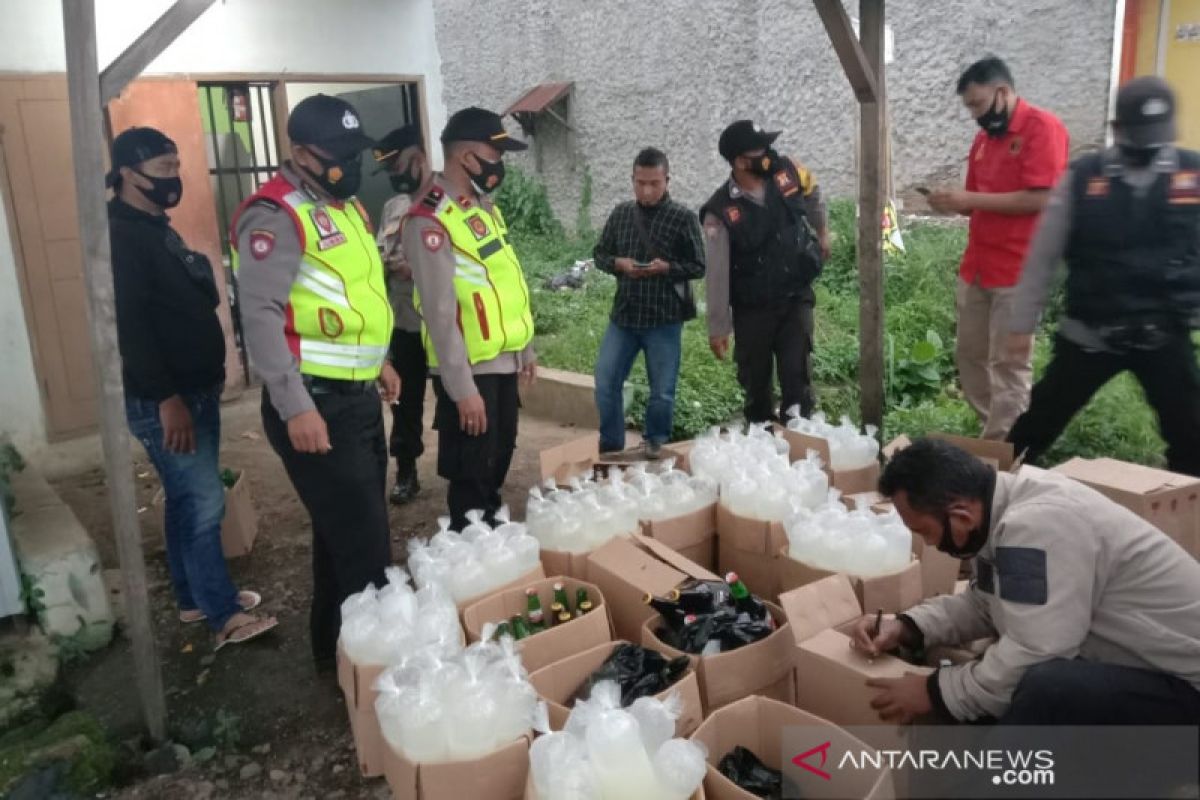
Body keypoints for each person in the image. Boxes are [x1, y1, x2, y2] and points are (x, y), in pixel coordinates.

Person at [855, 437, 1200, 726]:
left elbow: (1037, 652)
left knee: (1046, 687)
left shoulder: (1037, 527)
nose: (929, 544)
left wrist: (933, 691)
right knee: (1003, 686)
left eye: (924, 531)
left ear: (961, 514)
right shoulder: (1001, 510)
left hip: (1186, 690)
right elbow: (986, 603)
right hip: (1144, 670)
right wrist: (907, 627)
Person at [231, 95, 400, 669]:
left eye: (356, 153)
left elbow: (354, 296)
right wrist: (295, 405)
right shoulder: (274, 214)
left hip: (354, 398)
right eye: (338, 155)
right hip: (315, 404)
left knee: (344, 541)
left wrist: (379, 361)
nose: (351, 165)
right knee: (367, 556)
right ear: (299, 153)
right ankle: (376, 684)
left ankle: (335, 661)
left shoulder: (347, 207)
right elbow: (260, 317)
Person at [109, 126, 276, 650]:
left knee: (186, 501)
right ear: (126, 175)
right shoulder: (121, 237)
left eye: (176, 167)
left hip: (194, 388)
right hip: (167, 398)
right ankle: (223, 615)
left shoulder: (157, 225)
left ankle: (191, 598)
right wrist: (167, 399)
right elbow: (130, 327)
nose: (173, 179)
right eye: (162, 171)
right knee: (204, 503)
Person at [1005, 77, 1200, 476]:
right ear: (1117, 130)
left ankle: (1186, 514)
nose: (1147, 147)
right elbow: (1043, 256)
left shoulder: (1192, 175)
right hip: (1092, 333)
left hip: (1164, 332)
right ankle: (989, 494)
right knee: (1035, 427)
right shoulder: (1084, 177)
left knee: (1192, 435)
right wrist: (1021, 325)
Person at [402, 107, 536, 529]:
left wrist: (524, 347)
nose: (501, 164)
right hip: (469, 370)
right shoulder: (429, 218)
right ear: (466, 158)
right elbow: (439, 313)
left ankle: (492, 543)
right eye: (495, 155)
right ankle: (471, 553)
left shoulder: (482, 208)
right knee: (472, 476)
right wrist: (460, 390)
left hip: (502, 359)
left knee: (498, 458)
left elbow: (505, 281)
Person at [927, 56, 1069, 441]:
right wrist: (951, 202)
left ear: (1002, 92)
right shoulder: (983, 140)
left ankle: (1003, 455)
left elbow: (1042, 198)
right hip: (978, 266)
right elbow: (976, 201)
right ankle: (1003, 438)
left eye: (977, 104)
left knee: (1009, 364)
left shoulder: (1043, 128)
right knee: (970, 358)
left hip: (1019, 270)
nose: (974, 115)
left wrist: (970, 197)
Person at [701, 120, 829, 423]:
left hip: (795, 298)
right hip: (753, 311)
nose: (769, 154)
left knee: (797, 382)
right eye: (760, 151)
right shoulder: (719, 211)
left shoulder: (788, 171)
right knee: (756, 388)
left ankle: (800, 449)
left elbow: (813, 193)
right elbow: (717, 274)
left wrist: (822, 231)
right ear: (741, 162)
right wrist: (718, 327)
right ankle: (762, 451)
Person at [591, 147, 705, 457]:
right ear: (632, 180)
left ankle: (656, 443)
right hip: (624, 317)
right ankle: (611, 446)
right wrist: (618, 263)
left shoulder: (683, 218)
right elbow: (599, 254)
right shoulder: (621, 214)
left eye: (654, 183)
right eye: (640, 183)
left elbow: (699, 265)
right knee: (605, 384)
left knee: (662, 393)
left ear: (666, 180)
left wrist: (666, 268)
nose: (646, 190)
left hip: (663, 320)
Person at [373, 125, 433, 503]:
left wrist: (424, 267)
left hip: (446, 325)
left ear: (421, 159)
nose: (396, 174)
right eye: (390, 168)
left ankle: (466, 472)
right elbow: (380, 259)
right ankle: (407, 471)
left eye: (400, 164)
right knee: (405, 403)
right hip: (406, 323)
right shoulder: (394, 207)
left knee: (458, 398)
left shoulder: (449, 202)